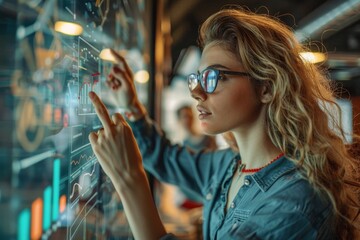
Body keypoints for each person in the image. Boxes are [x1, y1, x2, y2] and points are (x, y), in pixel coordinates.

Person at [88, 7, 360, 240]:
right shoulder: (232, 166)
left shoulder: (294, 204)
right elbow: (166, 158)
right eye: (198, 79)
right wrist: (133, 108)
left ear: (266, 87)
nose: (196, 92)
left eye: (213, 77)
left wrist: (130, 181)